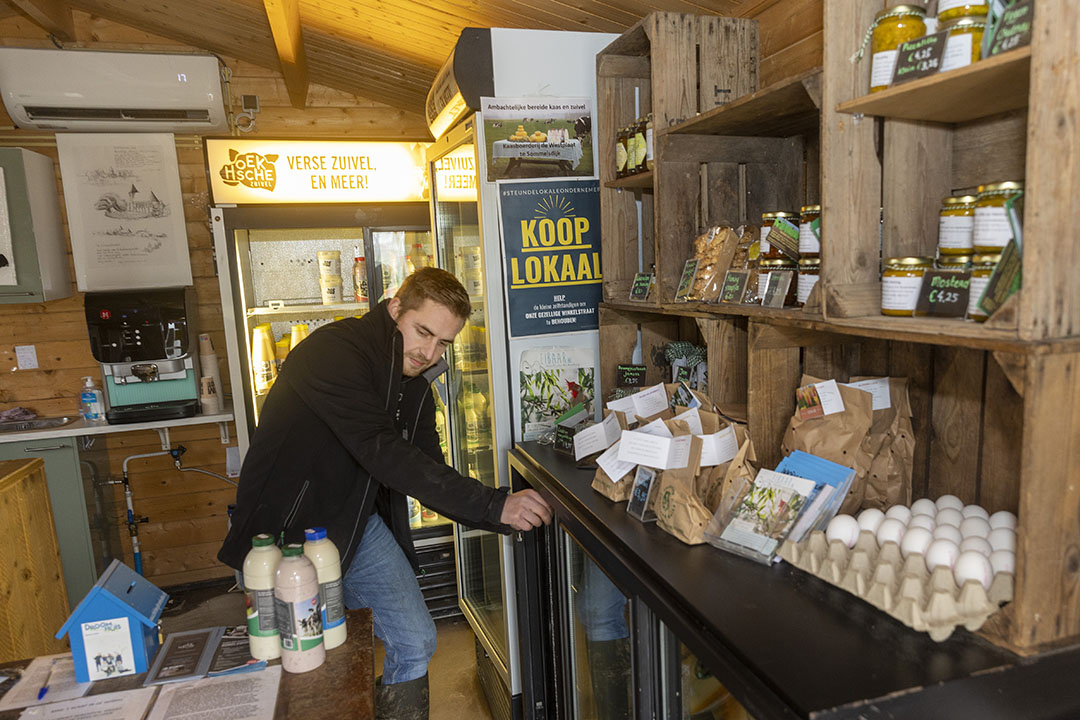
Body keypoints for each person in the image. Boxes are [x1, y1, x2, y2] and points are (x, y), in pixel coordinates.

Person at [218, 267, 552, 720]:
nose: (428, 352)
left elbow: (429, 470)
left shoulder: (415, 386)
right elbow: (382, 451)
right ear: (395, 308)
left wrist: (498, 510)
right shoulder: (334, 353)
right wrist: (496, 505)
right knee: (300, 672)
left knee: (415, 641)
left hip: (357, 528)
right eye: (422, 332)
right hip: (283, 536)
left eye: (443, 344)